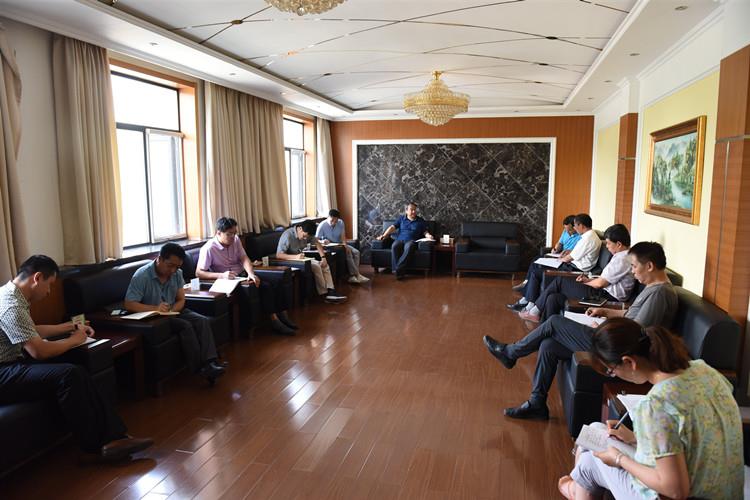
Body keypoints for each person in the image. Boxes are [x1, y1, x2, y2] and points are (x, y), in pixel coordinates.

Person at [484, 242, 677, 420]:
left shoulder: (660, 293)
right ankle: (537, 403)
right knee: (549, 345)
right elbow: (630, 315)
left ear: (649, 266)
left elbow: (634, 333)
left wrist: (602, 328)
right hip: (613, 339)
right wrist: (606, 312)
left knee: (555, 322)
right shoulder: (653, 287)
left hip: (617, 349)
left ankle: (511, 352)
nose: (632, 271)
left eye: (634, 266)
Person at [558, 318, 743, 500]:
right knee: (594, 431)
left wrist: (619, 459)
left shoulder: (656, 405)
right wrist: (635, 438)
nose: (614, 375)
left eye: (611, 370)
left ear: (629, 362)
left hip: (684, 493)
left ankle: (576, 488)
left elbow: (676, 491)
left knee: (589, 462)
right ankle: (577, 487)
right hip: (726, 489)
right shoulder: (705, 371)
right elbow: (696, 434)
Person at [0, 255, 153, 461]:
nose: (49, 291)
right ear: (37, 278)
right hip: (4, 372)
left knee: (77, 369)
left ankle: (116, 438)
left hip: (13, 364)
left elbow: (30, 330)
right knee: (69, 374)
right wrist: (74, 340)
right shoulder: (12, 304)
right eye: (49, 284)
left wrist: (69, 327)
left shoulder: (11, 294)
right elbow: (39, 352)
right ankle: (97, 446)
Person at [124, 243, 226, 384]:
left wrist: (173, 310)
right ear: (159, 259)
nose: (173, 270)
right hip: (155, 317)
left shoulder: (177, 273)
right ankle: (200, 368)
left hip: (173, 310)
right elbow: (129, 304)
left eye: (177, 267)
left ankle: (211, 362)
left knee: (202, 320)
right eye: (170, 266)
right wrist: (156, 309)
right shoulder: (142, 275)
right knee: (185, 325)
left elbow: (181, 299)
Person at [196, 217, 297, 336]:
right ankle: (275, 321)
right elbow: (199, 273)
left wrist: (251, 273)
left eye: (234, 233)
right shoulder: (208, 248)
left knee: (276, 281)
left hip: (243, 275)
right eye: (229, 234)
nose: (233, 237)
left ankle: (283, 316)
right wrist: (221, 275)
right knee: (265, 287)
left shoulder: (236, 240)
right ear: (218, 233)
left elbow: (244, 258)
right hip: (228, 281)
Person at [518, 224, 635, 322]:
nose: (607, 247)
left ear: (619, 244)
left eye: (608, 243)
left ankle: (535, 310)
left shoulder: (622, 259)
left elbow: (600, 284)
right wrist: (588, 280)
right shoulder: (621, 256)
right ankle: (545, 328)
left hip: (606, 297)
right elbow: (604, 280)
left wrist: (586, 283)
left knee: (560, 281)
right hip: (602, 291)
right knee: (553, 298)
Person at [508, 213, 601, 312]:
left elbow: (569, 258)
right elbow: (576, 253)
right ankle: (527, 301)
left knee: (536, 272)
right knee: (536, 267)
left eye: (575, 225)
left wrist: (559, 259)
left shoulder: (587, 239)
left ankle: (528, 303)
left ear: (581, 225)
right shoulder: (590, 236)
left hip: (574, 269)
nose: (575, 228)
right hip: (571, 265)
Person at [276, 220, 347, 303]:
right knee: (316, 266)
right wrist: (295, 257)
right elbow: (279, 255)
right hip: (289, 260)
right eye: (304, 236)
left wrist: (323, 258)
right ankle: (324, 294)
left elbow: (317, 244)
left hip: (301, 259)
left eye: (307, 237)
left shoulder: (308, 233)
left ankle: (331, 291)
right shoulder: (287, 235)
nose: (305, 239)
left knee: (324, 265)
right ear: (300, 229)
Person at [512, 215, 580, 292]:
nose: (567, 232)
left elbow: (577, 252)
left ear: (575, 227)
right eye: (565, 229)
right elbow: (560, 243)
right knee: (536, 259)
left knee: (537, 267)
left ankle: (526, 286)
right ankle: (525, 282)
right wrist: (555, 249)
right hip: (558, 255)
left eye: (570, 230)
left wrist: (569, 252)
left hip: (566, 259)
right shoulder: (565, 232)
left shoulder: (580, 236)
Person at [376, 202, 434, 280]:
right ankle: (397, 272)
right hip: (400, 239)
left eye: (415, 210)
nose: (414, 211)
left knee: (409, 247)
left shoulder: (420, 220)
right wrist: (384, 235)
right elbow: (392, 227)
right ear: (406, 211)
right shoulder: (401, 219)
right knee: (394, 246)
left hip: (412, 241)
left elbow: (425, 231)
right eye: (411, 210)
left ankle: (398, 269)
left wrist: (429, 236)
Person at [316, 208, 370, 285]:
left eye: (335, 221)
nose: (334, 223)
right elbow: (316, 240)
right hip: (330, 246)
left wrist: (345, 245)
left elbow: (343, 236)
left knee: (356, 252)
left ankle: (353, 276)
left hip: (340, 244)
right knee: (348, 253)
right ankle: (356, 275)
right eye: (332, 221)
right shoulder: (322, 225)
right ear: (328, 217)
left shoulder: (340, 222)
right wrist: (323, 241)